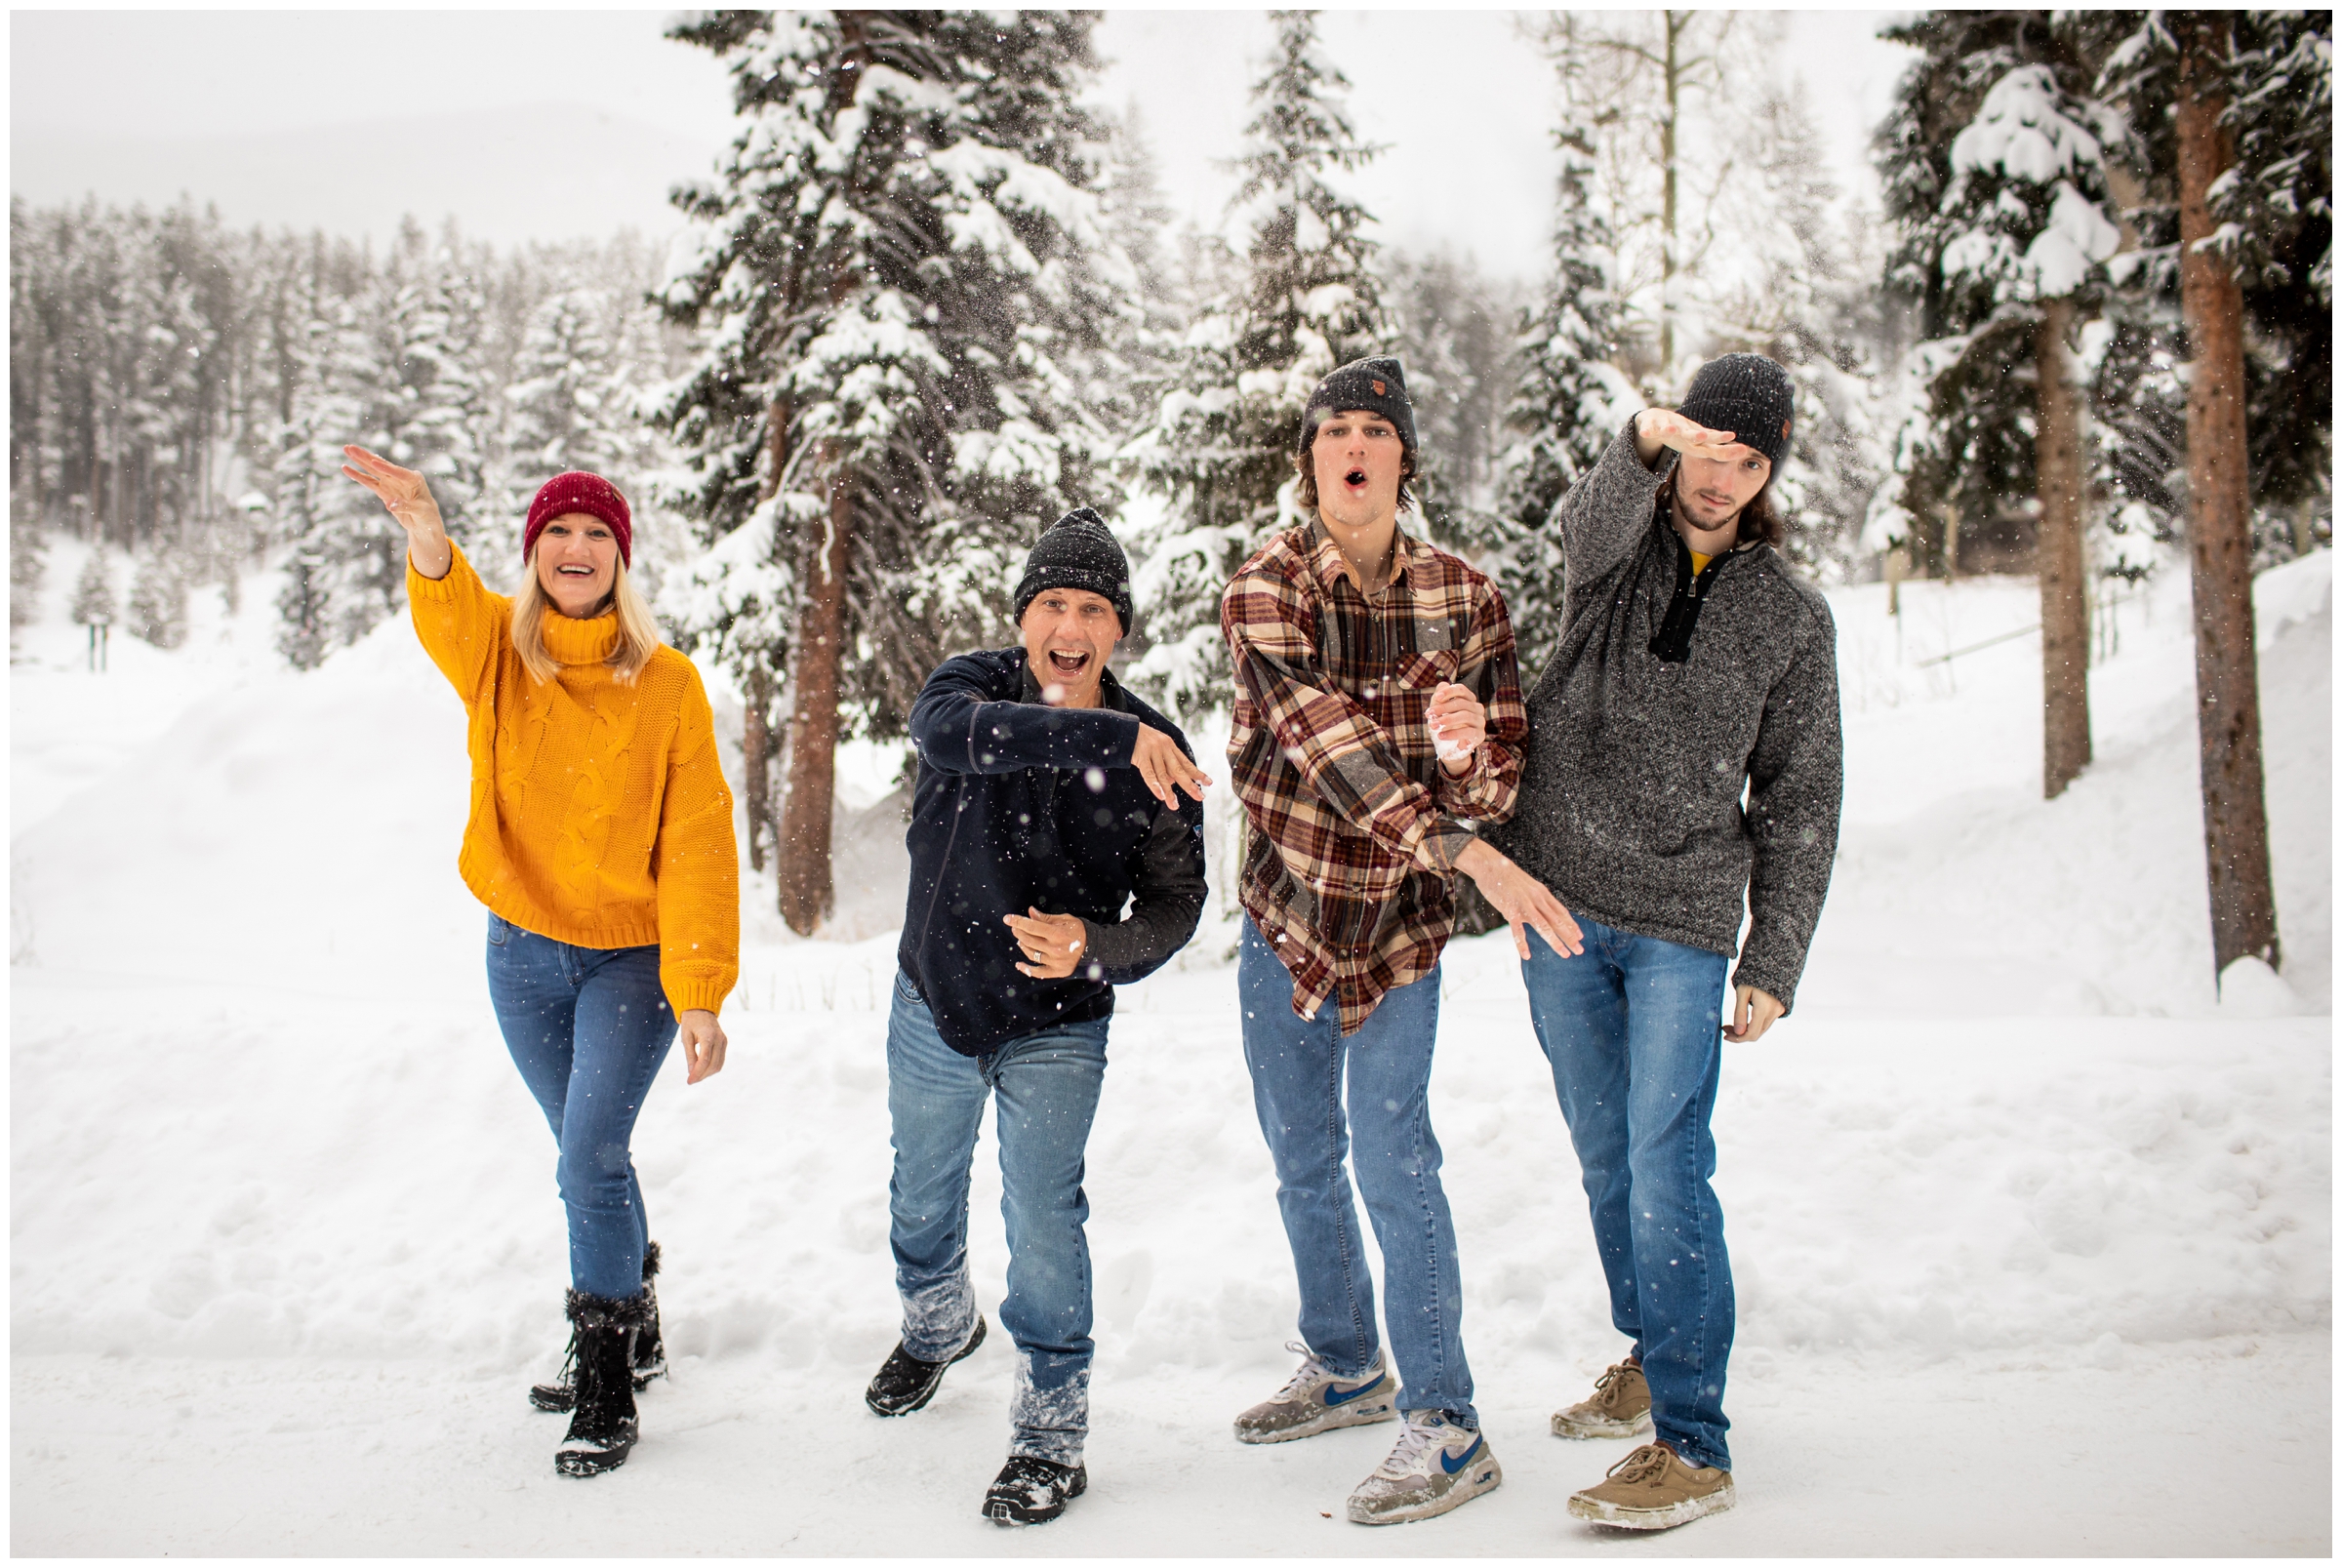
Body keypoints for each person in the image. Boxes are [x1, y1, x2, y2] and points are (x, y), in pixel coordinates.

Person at [1220, 357, 1583, 1527]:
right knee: (1302, 1155)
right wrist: (1465, 845)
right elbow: (1322, 742)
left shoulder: (1469, 598)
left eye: (1377, 429)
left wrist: (1474, 749)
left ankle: (1447, 1420)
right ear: (1311, 460)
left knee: (1393, 1155)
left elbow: (1502, 771)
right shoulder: (1264, 585)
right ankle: (1345, 1364)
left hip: (1402, 930)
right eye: (1335, 431)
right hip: (1286, 913)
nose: (1355, 447)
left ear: (1403, 458)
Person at [1490, 353, 1843, 1531]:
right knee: (1606, 1156)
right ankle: (1651, 1348)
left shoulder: (1791, 617)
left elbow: (1801, 799)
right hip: (1557, 907)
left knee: (1666, 1158)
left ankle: (1693, 1439)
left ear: (1771, 468)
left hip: (1687, 923)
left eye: (1750, 460)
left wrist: (1773, 961)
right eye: (1707, 450)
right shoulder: (1616, 555)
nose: (1723, 478)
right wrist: (1642, 432)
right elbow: (1583, 511)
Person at [342, 449, 739, 1478]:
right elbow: (446, 607)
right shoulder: (499, 656)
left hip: (631, 960)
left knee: (587, 1158)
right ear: (533, 552)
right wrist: (425, 527)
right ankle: (638, 1323)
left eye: (596, 534)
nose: (576, 548)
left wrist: (699, 991)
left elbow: (698, 838)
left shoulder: (668, 685)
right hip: (518, 949)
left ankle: (606, 1374)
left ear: (621, 557)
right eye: (558, 532)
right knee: (586, 1152)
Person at [870, 507, 1210, 1526]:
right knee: (920, 1193)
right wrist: (1113, 731)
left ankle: (1051, 1427)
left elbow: (1178, 904)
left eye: (1094, 609)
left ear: (1119, 629)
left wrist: (1094, 947)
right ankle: (937, 1325)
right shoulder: (967, 690)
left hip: (1058, 1022)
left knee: (1044, 1218)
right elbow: (954, 740)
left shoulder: (1159, 754)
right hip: (933, 996)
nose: (1071, 625)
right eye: (1053, 604)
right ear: (1024, 618)